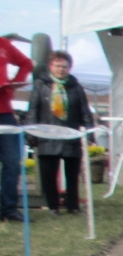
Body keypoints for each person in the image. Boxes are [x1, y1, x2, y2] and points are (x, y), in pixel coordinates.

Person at [26, 51, 93, 214]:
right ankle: (53, 206)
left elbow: (85, 111)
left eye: (64, 66)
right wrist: (31, 134)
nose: (61, 69)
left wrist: (89, 134)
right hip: (48, 135)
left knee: (72, 175)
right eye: (57, 66)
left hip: (71, 135)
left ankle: (73, 206)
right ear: (51, 66)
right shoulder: (40, 85)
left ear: (69, 68)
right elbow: (33, 110)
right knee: (48, 175)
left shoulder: (76, 87)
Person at [0, 33, 33, 222]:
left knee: (12, 161)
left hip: (5, 112)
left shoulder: (3, 44)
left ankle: (9, 209)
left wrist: (13, 84)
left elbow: (26, 63)